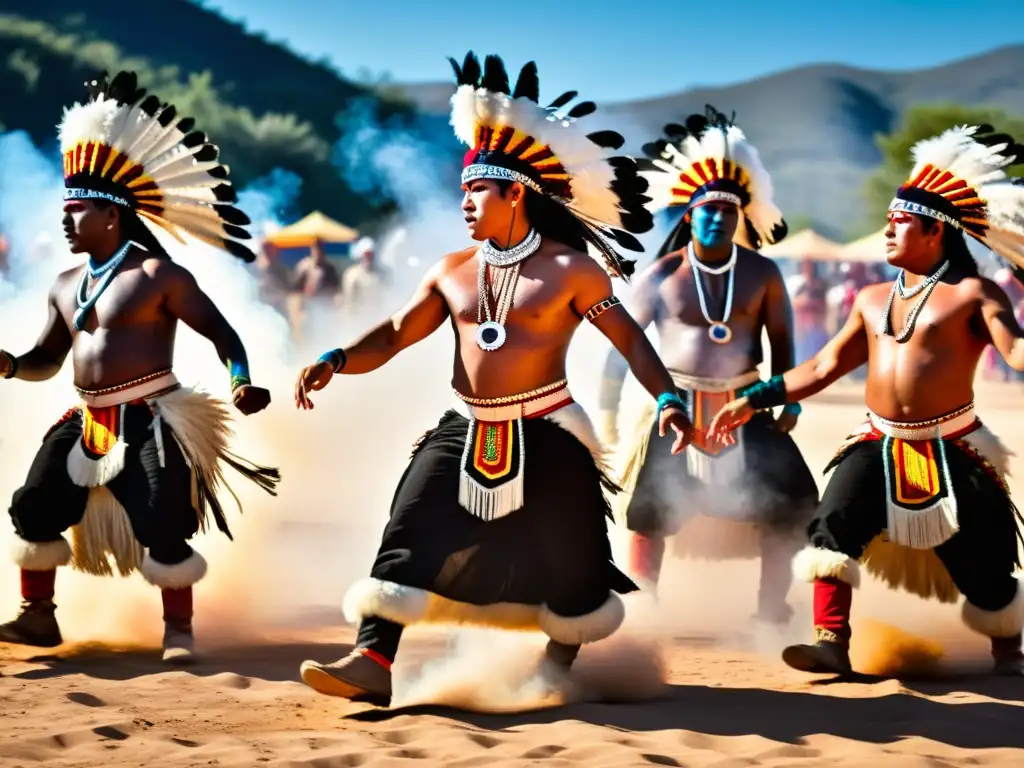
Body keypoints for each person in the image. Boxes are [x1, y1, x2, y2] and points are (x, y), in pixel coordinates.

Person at [293, 51, 694, 705]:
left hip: (551, 427)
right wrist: (337, 359)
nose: (466, 204)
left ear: (516, 192)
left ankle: (557, 669)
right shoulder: (451, 269)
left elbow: (630, 339)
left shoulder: (572, 271)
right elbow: (395, 335)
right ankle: (372, 660)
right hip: (465, 426)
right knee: (409, 523)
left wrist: (670, 400)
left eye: (476, 191)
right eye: (462, 193)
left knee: (577, 560)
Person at [708, 124, 1024, 676]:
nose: (887, 230)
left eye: (899, 222)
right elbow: (824, 366)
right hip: (878, 442)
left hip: (956, 447)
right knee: (832, 526)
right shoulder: (870, 298)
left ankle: (1008, 653)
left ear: (935, 232)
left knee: (988, 566)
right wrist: (755, 398)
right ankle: (831, 642)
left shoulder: (975, 293)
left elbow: (1016, 352)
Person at [0, 71, 280, 662]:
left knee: (163, 518)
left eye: (76, 210)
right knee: (34, 505)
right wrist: (10, 364)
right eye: (64, 210)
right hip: (85, 419)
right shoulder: (63, 285)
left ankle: (178, 630)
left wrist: (241, 381)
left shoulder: (160, 277)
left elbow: (223, 335)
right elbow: (47, 361)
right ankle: (38, 617)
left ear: (112, 215)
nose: (64, 221)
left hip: (152, 415)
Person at [598, 107, 818, 625]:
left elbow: (783, 343)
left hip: (746, 402)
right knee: (648, 513)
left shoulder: (763, 274)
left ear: (740, 217)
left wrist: (786, 401)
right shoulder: (661, 275)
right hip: (675, 409)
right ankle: (645, 605)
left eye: (727, 211)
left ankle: (770, 608)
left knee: (795, 502)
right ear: (689, 215)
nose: (717, 218)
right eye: (707, 211)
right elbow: (622, 345)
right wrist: (609, 414)